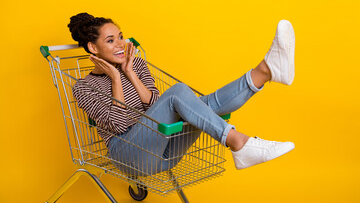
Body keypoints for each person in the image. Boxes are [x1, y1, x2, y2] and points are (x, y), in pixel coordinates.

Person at [69, 12, 295, 175]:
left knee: (195, 104)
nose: (120, 44)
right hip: (129, 156)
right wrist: (116, 79)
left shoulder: (135, 65)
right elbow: (117, 125)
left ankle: (265, 71)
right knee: (179, 94)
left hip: (164, 150)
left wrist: (130, 73)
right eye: (110, 40)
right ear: (93, 48)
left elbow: (159, 105)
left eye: (120, 36)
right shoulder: (83, 87)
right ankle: (238, 140)